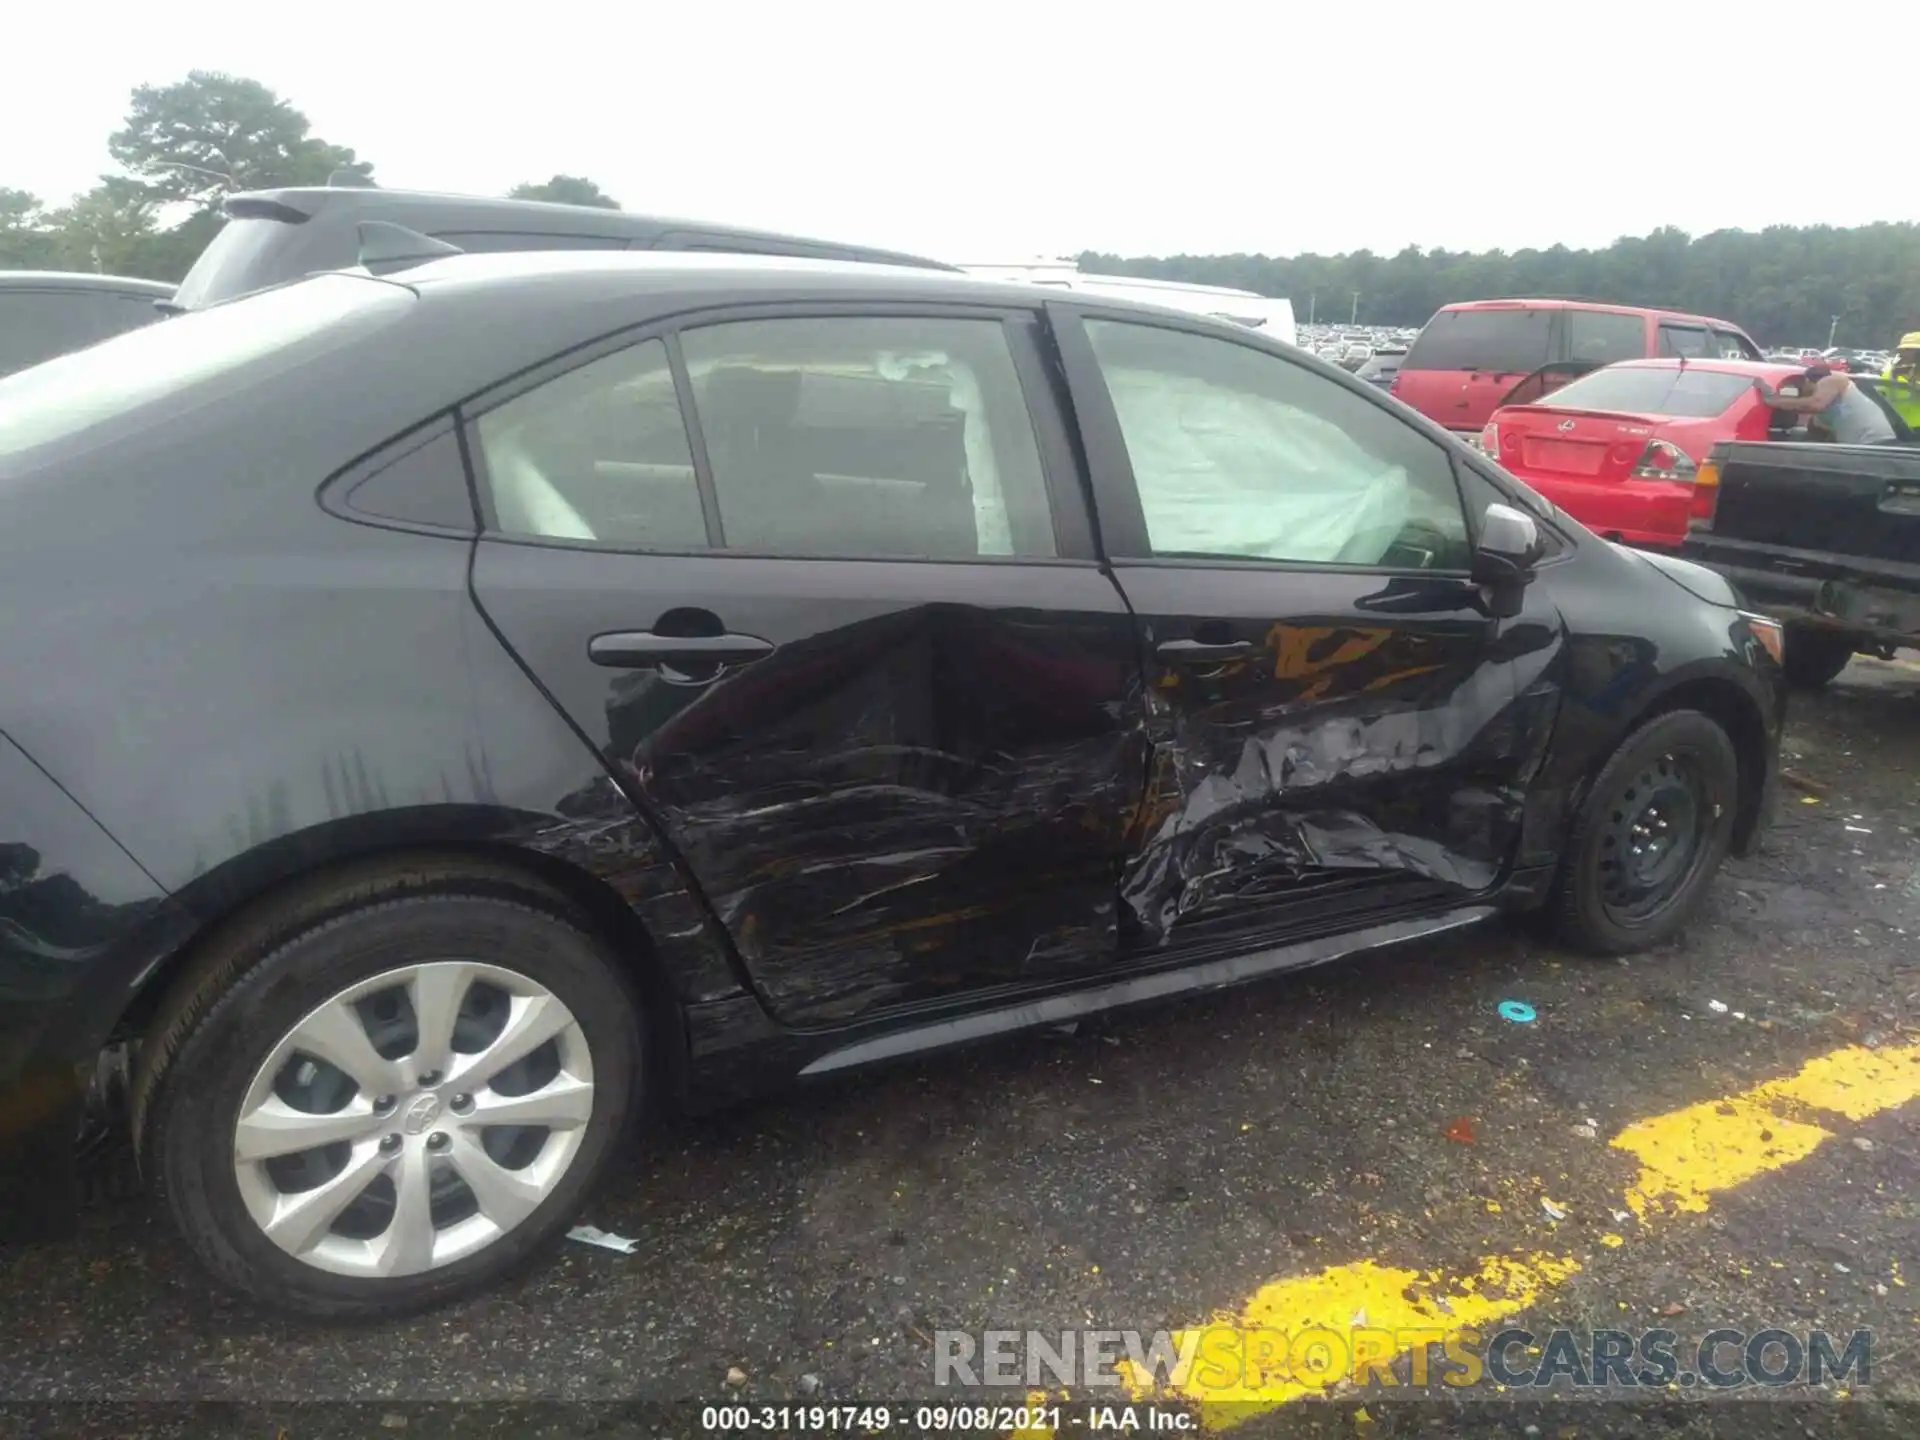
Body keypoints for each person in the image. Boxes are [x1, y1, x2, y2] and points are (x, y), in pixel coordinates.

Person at [1752, 364, 1896, 444]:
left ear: (1808, 381)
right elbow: (1818, 433)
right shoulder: (1826, 410)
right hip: (1861, 447)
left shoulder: (1834, 379)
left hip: (1876, 442)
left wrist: (1772, 400)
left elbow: (1814, 404)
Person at [1881, 332, 1920, 431]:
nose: (1906, 354)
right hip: (1896, 429)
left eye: (1911, 351)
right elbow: (1880, 396)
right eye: (1905, 351)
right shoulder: (1889, 372)